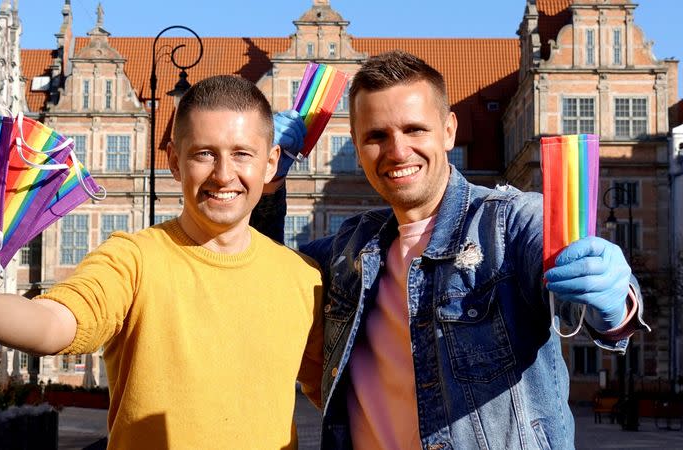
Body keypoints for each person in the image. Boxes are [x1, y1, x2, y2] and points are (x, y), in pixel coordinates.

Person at [256, 51, 650, 449]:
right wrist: (265, 185)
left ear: (448, 131)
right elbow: (259, 272)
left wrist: (617, 302)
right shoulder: (349, 247)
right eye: (376, 136)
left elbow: (574, 275)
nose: (397, 151)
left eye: (415, 130)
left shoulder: (510, 222)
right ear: (356, 147)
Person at [0, 75, 324, 449]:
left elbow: (345, 390)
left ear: (270, 163)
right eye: (204, 153)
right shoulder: (132, 258)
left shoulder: (303, 278)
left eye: (241, 154)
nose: (223, 173)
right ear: (174, 160)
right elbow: (58, 322)